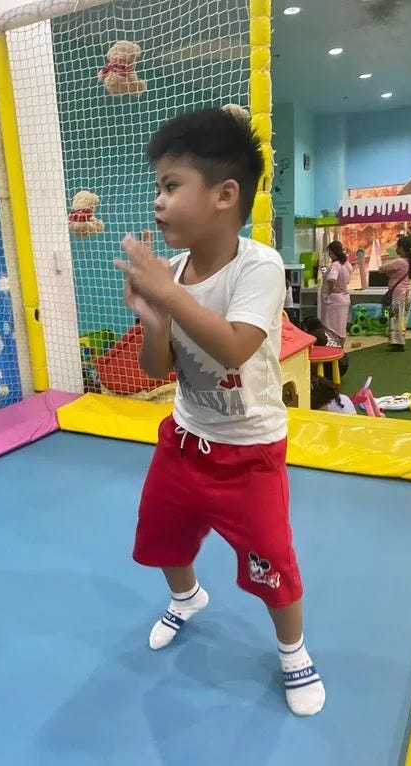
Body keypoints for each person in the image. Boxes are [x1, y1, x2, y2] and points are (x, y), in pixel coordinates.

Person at [114, 108, 325, 717]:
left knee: (272, 559)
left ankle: (293, 650)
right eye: (158, 186)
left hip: (250, 454)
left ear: (225, 195)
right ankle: (187, 599)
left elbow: (234, 345)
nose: (158, 201)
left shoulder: (257, 266)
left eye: (171, 185)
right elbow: (159, 369)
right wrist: (155, 320)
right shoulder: (174, 274)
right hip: (184, 439)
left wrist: (168, 294)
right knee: (160, 536)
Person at [379, 235, 411, 351]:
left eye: (398, 246)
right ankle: (399, 340)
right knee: (403, 318)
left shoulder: (399, 261)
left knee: (395, 318)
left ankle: (397, 343)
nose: (396, 248)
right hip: (408, 292)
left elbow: (381, 268)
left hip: (398, 294)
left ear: (402, 248)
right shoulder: (410, 261)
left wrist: (388, 272)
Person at [319, 240, 352, 346]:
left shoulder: (335, 265)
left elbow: (331, 279)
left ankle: (333, 348)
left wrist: (332, 289)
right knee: (341, 326)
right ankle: (341, 347)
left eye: (329, 252)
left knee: (330, 326)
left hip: (334, 300)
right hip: (344, 298)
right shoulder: (346, 264)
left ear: (332, 252)